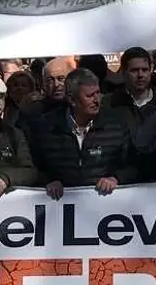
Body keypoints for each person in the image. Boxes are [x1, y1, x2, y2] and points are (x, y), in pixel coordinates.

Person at [31, 69, 135, 200]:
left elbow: (133, 165)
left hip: (106, 205)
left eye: (98, 93)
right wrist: (48, 180)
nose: (96, 100)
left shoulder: (116, 125)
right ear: (72, 99)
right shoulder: (46, 127)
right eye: (90, 96)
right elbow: (34, 166)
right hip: (60, 207)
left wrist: (115, 178)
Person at [104, 47, 156, 132]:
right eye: (134, 70)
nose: (140, 75)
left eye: (145, 70)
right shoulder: (108, 104)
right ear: (124, 72)